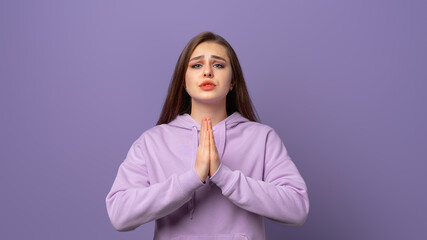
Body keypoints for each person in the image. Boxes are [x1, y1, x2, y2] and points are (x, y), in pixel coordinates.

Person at [105, 31, 309, 240]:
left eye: (219, 65)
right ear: (183, 81)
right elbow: (119, 215)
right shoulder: (152, 142)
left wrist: (224, 177)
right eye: (196, 65)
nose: (208, 72)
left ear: (232, 82)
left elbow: (297, 208)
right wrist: (192, 178)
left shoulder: (262, 138)